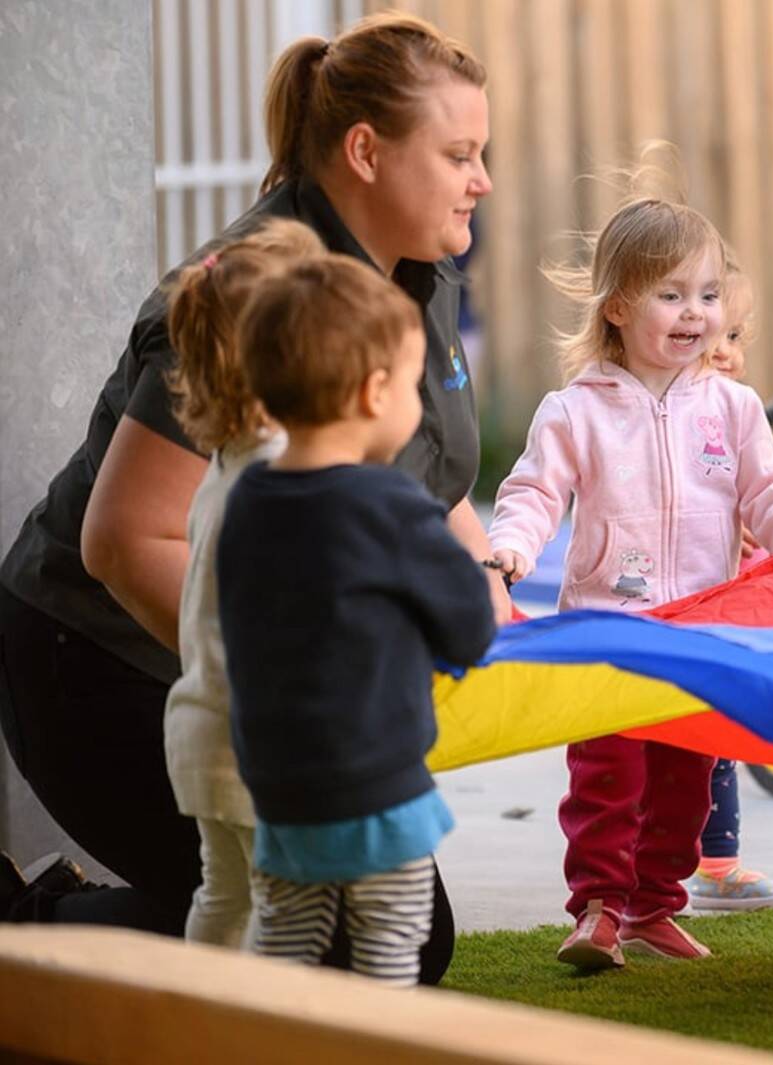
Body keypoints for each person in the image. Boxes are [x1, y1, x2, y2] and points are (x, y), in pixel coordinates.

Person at [0, 12, 501, 985]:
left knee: (385, 934)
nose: (481, 179)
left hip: (254, 668)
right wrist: (295, 700)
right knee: (354, 943)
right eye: (459, 154)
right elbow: (124, 539)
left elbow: (422, 475)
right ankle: (30, 926)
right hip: (98, 663)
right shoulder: (253, 294)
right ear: (365, 151)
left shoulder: (424, 273)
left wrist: (483, 577)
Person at [488, 167, 773, 969]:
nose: (696, 314)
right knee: (609, 775)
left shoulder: (732, 408)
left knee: (686, 781)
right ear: (618, 306)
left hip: (699, 626)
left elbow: (768, 488)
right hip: (608, 626)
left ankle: (655, 906)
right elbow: (534, 490)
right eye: (671, 295)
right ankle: (600, 906)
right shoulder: (576, 410)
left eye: (707, 295)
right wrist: (511, 547)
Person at [218, 254, 495, 986]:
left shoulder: (246, 501)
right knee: (390, 953)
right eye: (412, 385)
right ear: (375, 393)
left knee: (285, 941)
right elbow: (470, 627)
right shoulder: (392, 505)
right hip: (378, 789)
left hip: (277, 789)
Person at [162, 219, 325, 947]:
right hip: (261, 743)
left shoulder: (227, 463)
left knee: (224, 895)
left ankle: (197, 1022)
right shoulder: (284, 475)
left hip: (201, 726)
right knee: (286, 910)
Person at [687, 264, 773, 913]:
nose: (727, 349)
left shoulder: (735, 415)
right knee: (665, 743)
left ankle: (717, 862)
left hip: (720, 607)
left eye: (736, 333)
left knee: (717, 736)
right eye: (713, 332)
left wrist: (768, 529)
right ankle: (633, 873)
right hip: (668, 604)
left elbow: (762, 488)